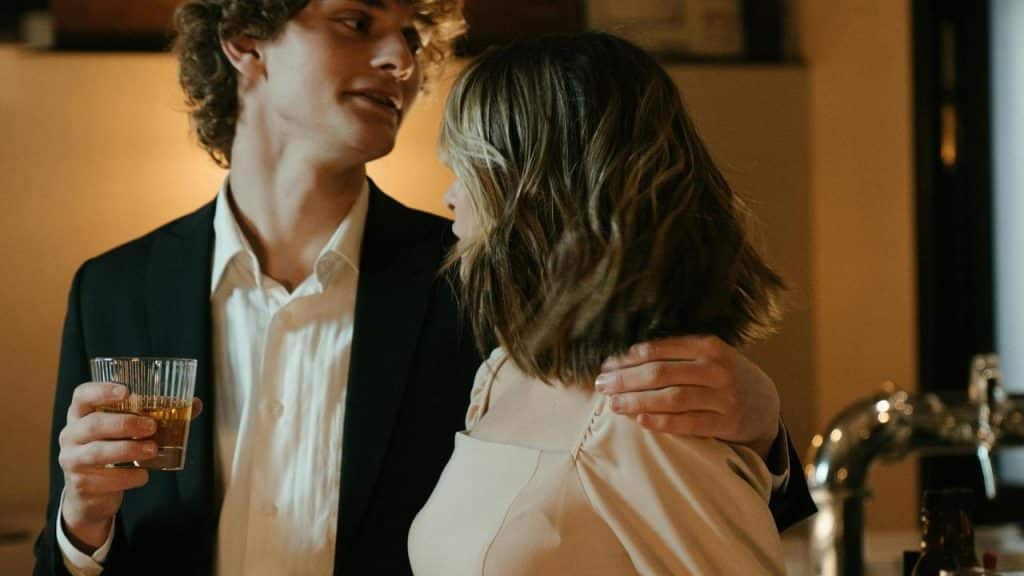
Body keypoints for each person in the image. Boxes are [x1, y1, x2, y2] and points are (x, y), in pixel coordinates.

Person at [34, 2, 813, 575]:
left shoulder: (486, 277)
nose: (400, 60)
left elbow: (686, 512)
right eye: (356, 22)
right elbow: (67, 559)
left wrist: (763, 429)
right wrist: (82, 526)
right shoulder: (115, 290)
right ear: (246, 40)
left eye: (411, 36)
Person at [408, 32, 793, 574]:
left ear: (533, 189)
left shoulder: (643, 409)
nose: (450, 195)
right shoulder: (499, 375)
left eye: (465, 169)